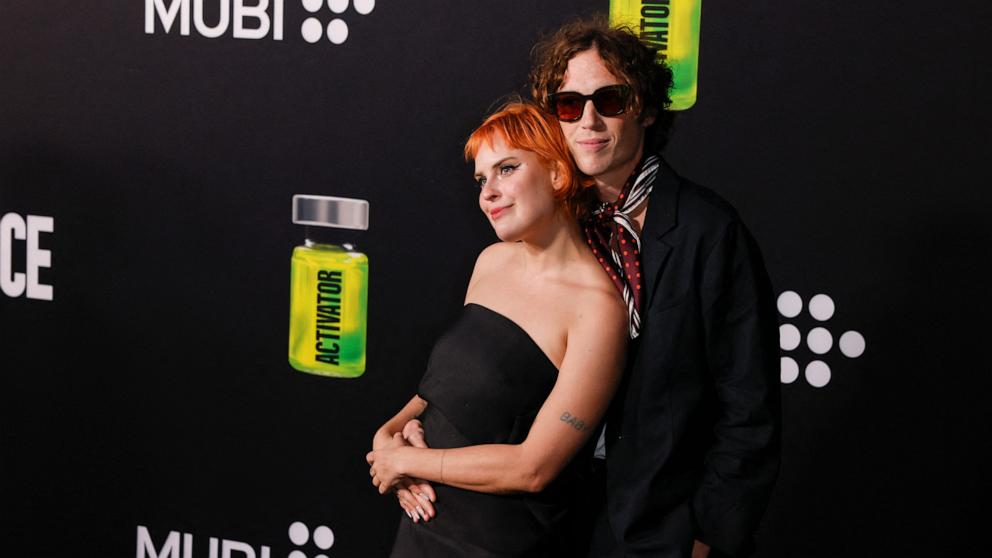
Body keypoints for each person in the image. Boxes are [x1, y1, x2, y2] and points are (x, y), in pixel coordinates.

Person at [527, 17, 782, 558]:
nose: (588, 120)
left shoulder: (708, 231)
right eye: (569, 104)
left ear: (643, 107)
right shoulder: (551, 225)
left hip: (660, 529)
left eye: (610, 100)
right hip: (550, 518)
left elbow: (749, 405)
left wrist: (708, 536)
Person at [366, 101, 628, 557]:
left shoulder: (599, 309)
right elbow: (441, 390)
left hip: (503, 543)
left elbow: (534, 467)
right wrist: (388, 436)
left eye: (507, 169)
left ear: (558, 173)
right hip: (423, 524)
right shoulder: (491, 262)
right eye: (482, 179)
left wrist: (408, 459)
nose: (488, 193)